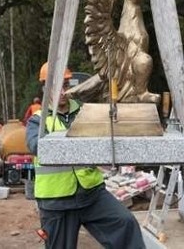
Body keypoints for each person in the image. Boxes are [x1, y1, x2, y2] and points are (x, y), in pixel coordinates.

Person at [26, 62, 145, 249]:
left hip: (91, 194)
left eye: (65, 85)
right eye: (57, 86)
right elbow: (36, 146)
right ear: (45, 88)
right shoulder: (38, 121)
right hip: (56, 201)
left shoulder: (85, 113)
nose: (62, 91)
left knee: (126, 224)